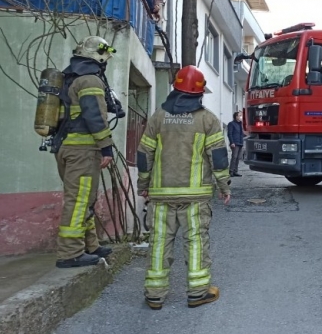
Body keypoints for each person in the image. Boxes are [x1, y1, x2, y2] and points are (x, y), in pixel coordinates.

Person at [137, 65, 231, 310]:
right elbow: (218, 158)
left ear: (175, 89)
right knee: (196, 242)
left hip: (160, 196)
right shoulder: (207, 119)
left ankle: (154, 294)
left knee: (159, 242)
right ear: (199, 94)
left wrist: (143, 184)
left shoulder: (158, 117)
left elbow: (144, 153)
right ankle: (198, 292)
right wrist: (224, 186)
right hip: (195, 197)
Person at [53, 36, 117, 268]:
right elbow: (94, 116)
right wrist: (106, 147)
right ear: (99, 56)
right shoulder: (89, 80)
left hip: (65, 148)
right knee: (79, 200)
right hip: (81, 150)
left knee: (84, 199)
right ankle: (70, 253)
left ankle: (90, 245)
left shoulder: (69, 77)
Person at [227, 111, 245, 177]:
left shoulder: (241, 124)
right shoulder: (231, 124)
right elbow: (229, 134)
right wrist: (232, 142)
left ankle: (235, 171)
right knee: (234, 157)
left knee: (238, 158)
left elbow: (243, 133)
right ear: (236, 116)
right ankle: (231, 171)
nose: (241, 117)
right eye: (240, 115)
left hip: (240, 143)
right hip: (235, 143)